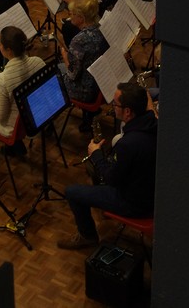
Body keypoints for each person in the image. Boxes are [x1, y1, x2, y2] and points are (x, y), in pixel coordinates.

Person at [58, 82, 158, 250]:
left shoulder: (128, 144)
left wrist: (96, 154)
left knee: (72, 192)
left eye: (115, 104)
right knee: (97, 168)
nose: (113, 107)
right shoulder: (154, 122)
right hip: (152, 192)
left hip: (135, 204)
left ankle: (87, 236)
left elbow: (112, 179)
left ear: (128, 111)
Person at [0, 25, 45, 163]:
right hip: (37, 116)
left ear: (8, 50)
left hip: (15, 129)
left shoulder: (3, 79)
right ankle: (16, 147)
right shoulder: (39, 62)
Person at [60, 0, 110, 127]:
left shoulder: (79, 41)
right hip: (102, 83)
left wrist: (65, 56)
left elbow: (73, 74)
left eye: (72, 14)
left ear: (81, 18)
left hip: (87, 90)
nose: (70, 17)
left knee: (55, 73)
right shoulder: (103, 28)